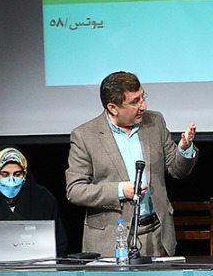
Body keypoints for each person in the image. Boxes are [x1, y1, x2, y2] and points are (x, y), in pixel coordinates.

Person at [66, 71, 198, 257]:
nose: (143, 106)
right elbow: (75, 190)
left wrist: (184, 149)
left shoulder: (155, 122)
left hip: (155, 235)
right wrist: (120, 190)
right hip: (110, 239)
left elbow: (177, 170)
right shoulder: (85, 136)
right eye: (135, 101)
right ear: (113, 108)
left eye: (143, 97)